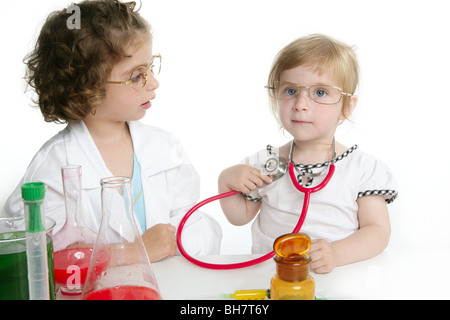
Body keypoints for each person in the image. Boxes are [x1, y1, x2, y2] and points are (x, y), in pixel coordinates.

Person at [1, 0, 221, 262]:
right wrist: (134, 252)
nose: (154, 82)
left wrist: (185, 239)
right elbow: (35, 258)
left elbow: (196, 227)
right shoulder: (53, 168)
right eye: (137, 75)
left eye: (150, 67)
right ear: (87, 87)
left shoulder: (165, 148)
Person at [218, 34, 397, 273]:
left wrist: (337, 253)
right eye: (291, 90)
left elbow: (377, 232)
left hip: (335, 277)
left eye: (320, 92)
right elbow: (239, 217)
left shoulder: (362, 168)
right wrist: (226, 183)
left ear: (346, 107)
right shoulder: (266, 163)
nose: (300, 103)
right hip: (272, 277)